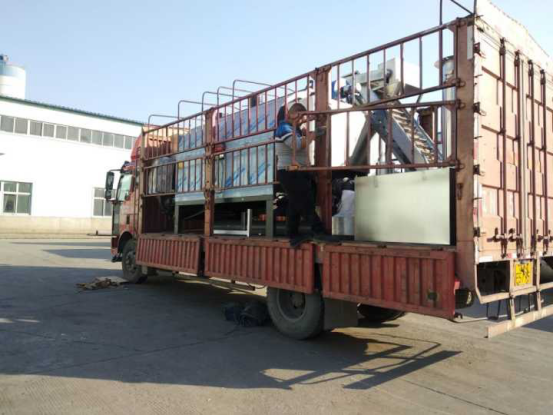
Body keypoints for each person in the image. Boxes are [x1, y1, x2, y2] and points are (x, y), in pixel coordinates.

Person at [275, 103, 329, 247]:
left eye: (303, 118)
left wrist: (310, 122)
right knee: (305, 203)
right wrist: (313, 135)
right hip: (289, 172)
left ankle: (292, 235)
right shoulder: (284, 128)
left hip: (296, 172)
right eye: (300, 117)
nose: (301, 120)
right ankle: (319, 232)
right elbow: (297, 145)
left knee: (295, 204)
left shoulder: (294, 128)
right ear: (292, 114)